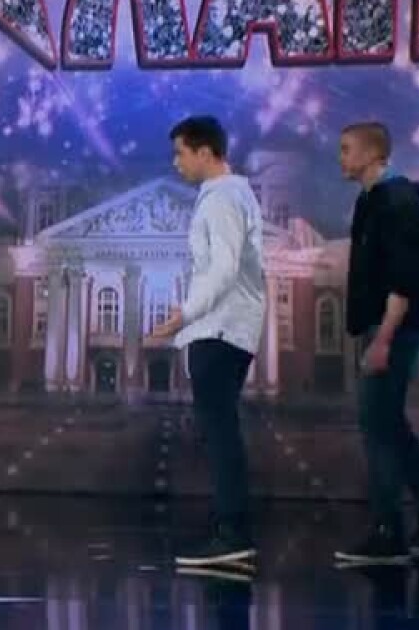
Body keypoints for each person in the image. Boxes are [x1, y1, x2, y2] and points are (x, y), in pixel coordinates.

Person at [335, 122, 419, 563]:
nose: (340, 157)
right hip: (383, 324)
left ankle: (389, 532)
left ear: (372, 154)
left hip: (396, 327)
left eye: (346, 149)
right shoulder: (372, 200)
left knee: (377, 425)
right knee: (388, 423)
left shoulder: (397, 202)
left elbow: (403, 281)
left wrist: (383, 339)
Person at [149, 116, 266, 566]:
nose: (175, 162)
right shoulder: (226, 195)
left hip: (219, 329)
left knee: (220, 434)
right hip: (222, 328)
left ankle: (233, 533)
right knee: (220, 432)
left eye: (180, 153)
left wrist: (184, 314)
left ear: (204, 152)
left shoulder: (223, 198)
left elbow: (223, 268)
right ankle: (230, 530)